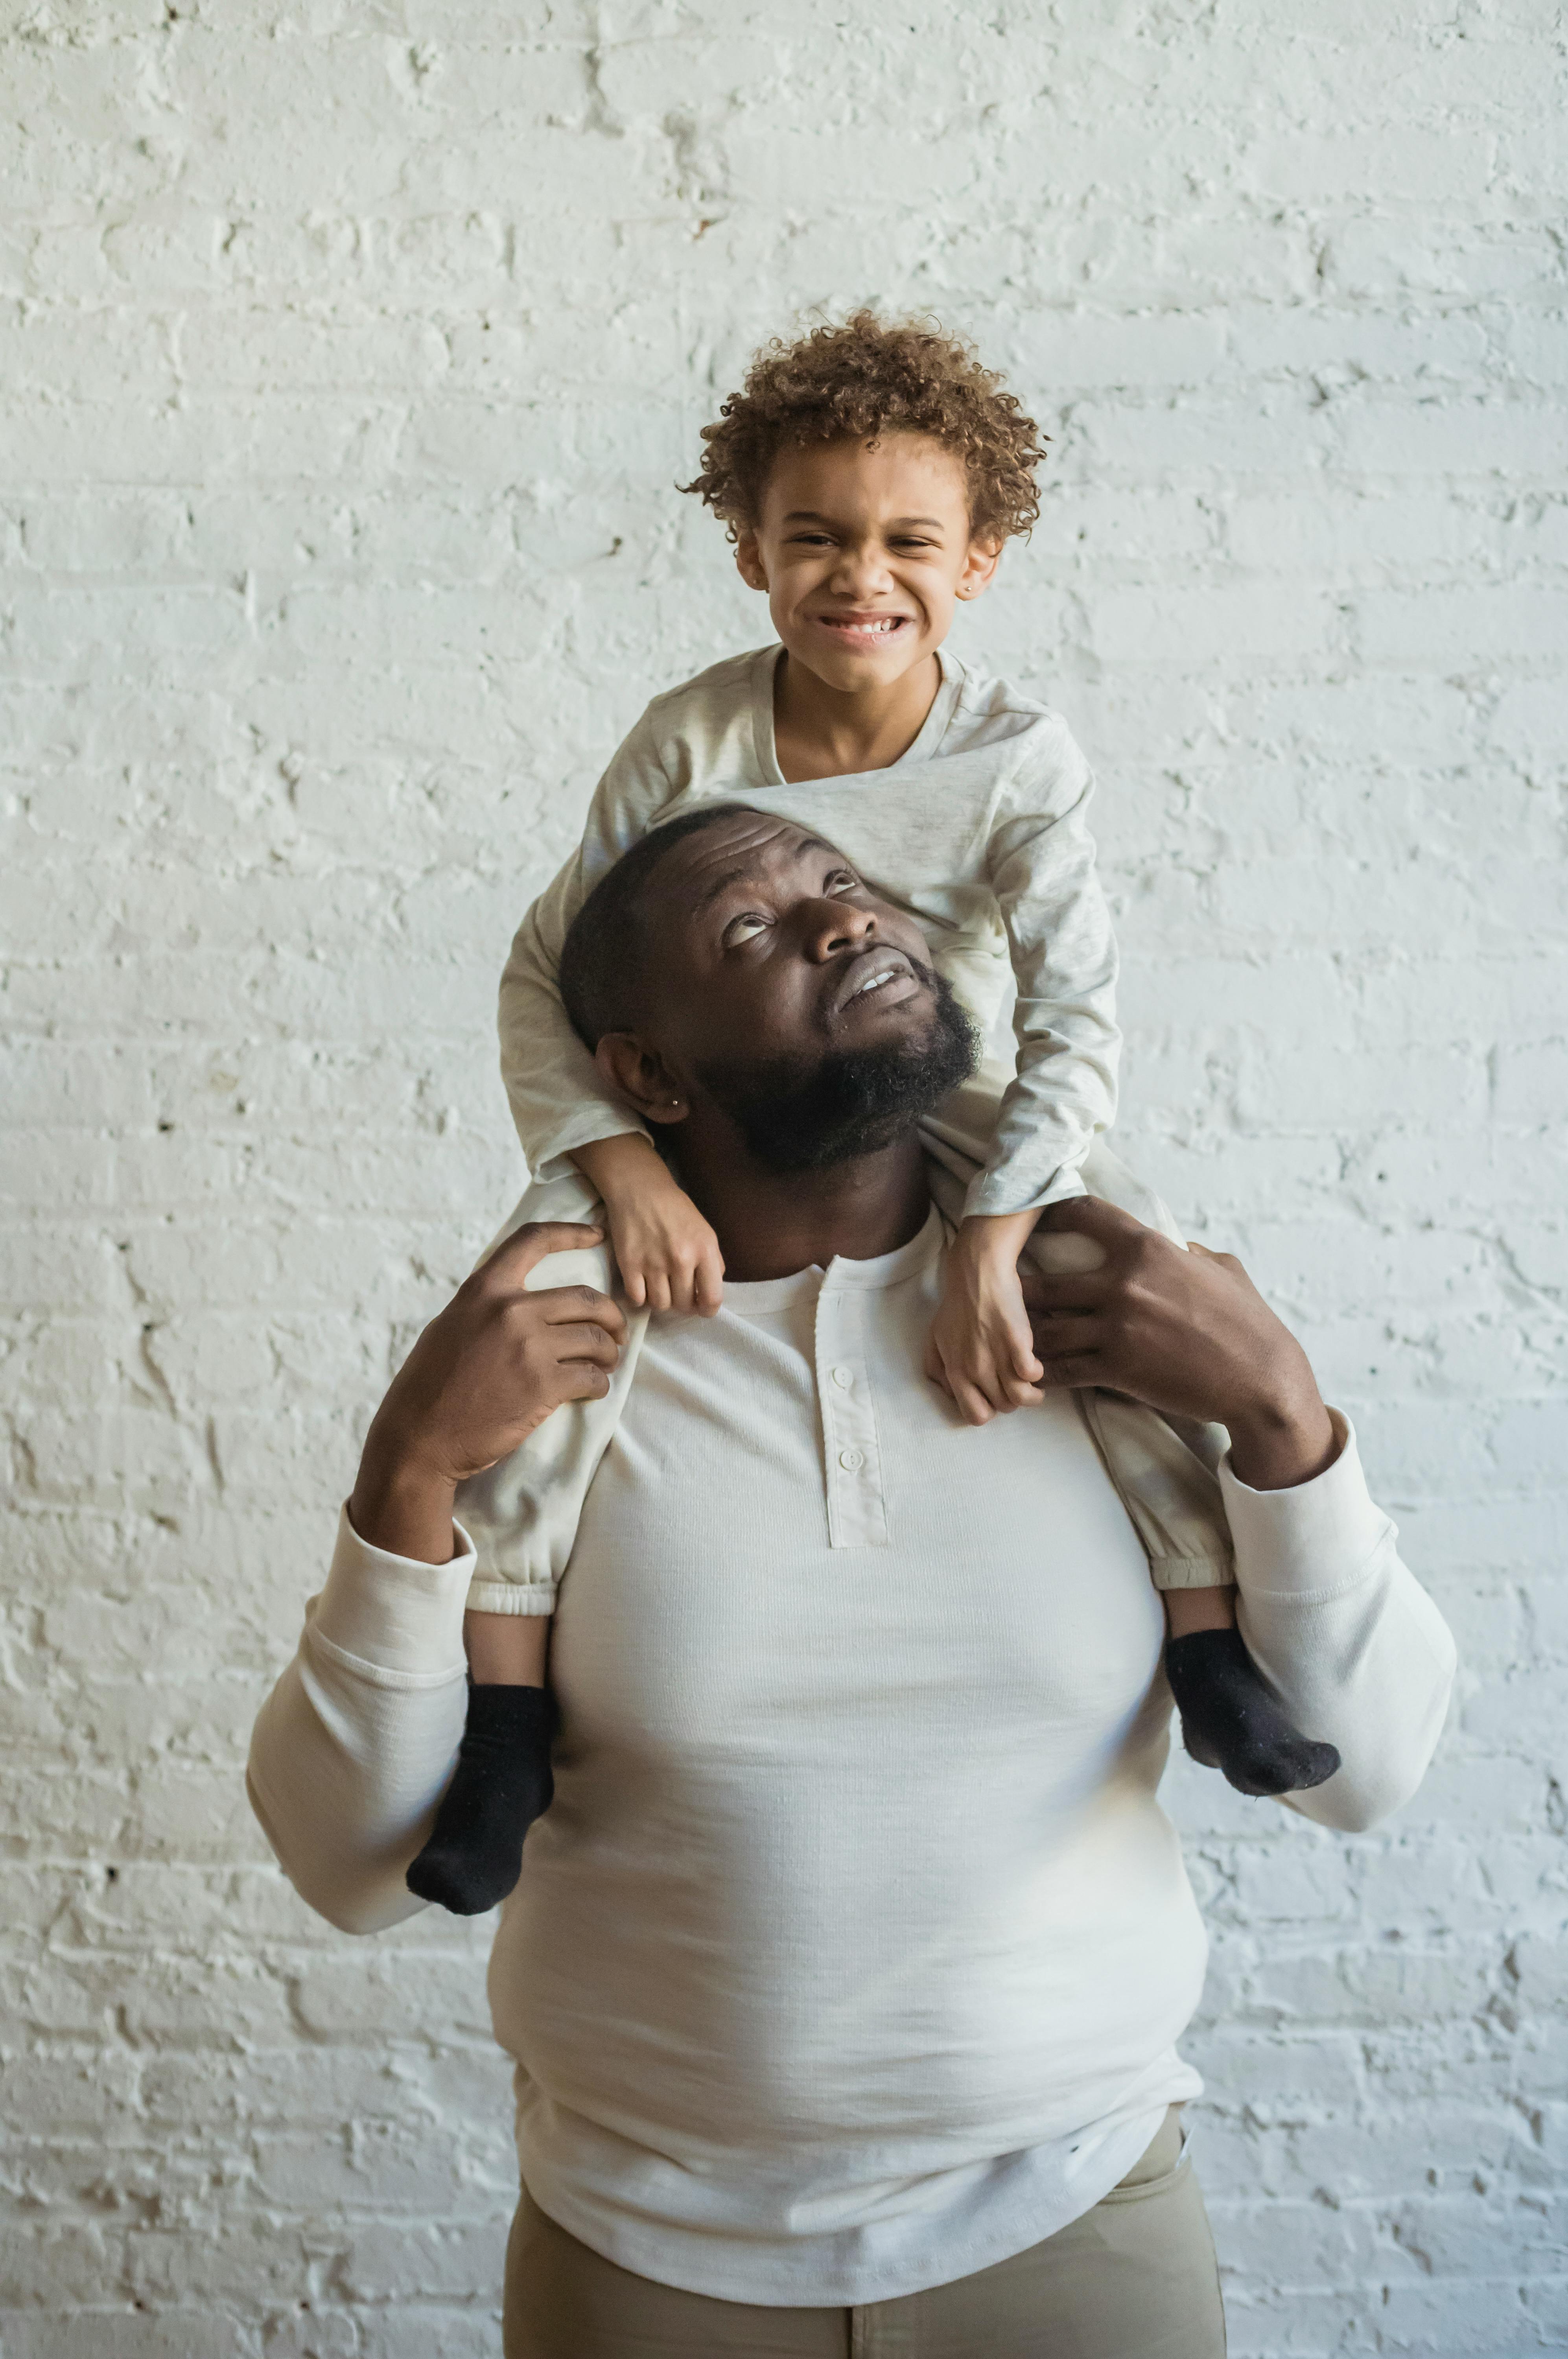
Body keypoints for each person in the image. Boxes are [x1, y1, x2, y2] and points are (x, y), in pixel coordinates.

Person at [248, 804, 1456, 2359]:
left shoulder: (1108, 1315)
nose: (835, 922)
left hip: (1075, 2224)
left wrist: (1287, 1419)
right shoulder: (550, 1367)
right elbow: (348, 1868)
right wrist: (404, 1476)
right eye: (745, 931)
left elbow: (1368, 1780)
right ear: (649, 1075)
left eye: (837, 884)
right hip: (644, 2258)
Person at [426, 313, 1341, 1897]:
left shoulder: (1014, 760)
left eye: (910, 540)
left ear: (978, 559)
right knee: (543, 1307)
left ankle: (1206, 1648)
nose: (864, 577)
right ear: (750, 551)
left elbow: (1073, 1019)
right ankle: (505, 1711)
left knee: (1122, 1299)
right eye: (818, 540)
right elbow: (547, 976)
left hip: (961, 1093)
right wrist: (613, 1163)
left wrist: (995, 1232)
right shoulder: (691, 741)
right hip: (719, 1098)